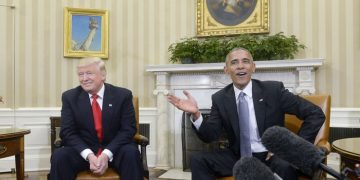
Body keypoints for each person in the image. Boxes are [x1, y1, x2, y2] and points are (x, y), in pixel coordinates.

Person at [167, 47, 325, 180]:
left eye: (245, 61)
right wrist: (196, 114)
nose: (240, 66)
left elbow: (315, 114)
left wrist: (290, 149)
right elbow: (210, 136)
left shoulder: (273, 90)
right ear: (226, 69)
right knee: (198, 160)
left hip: (272, 156)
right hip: (238, 156)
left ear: (253, 67)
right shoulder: (220, 98)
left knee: (285, 166)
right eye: (234, 62)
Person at [50, 57, 143, 180]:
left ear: (103, 75)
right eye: (80, 74)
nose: (84, 79)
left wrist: (106, 154)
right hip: (84, 152)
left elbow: (128, 130)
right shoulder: (70, 97)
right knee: (60, 156)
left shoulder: (122, 95)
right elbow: (68, 132)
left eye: (89, 73)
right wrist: (89, 155)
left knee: (131, 153)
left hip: (115, 150)